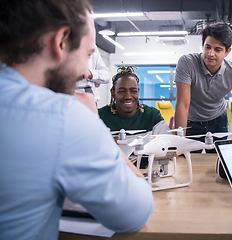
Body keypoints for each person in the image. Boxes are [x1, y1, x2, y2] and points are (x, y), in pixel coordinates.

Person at [0, 1, 153, 239]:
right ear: (61, 42)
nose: (85, 73)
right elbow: (134, 213)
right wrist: (95, 127)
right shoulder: (61, 117)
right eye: (88, 54)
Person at [174, 22, 232, 145]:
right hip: (191, 122)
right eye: (207, 47)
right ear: (202, 45)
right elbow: (182, 105)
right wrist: (179, 142)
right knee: (188, 159)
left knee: (219, 159)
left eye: (217, 49)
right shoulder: (187, 63)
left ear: (227, 52)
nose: (210, 53)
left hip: (218, 120)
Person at [98, 63, 170, 135]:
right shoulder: (99, 117)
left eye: (133, 91)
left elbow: (167, 141)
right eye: (122, 91)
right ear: (113, 92)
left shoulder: (152, 116)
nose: (128, 96)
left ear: (138, 92)